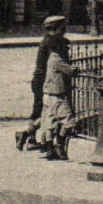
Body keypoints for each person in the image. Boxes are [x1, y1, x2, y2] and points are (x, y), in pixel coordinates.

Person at [16, 15, 70, 151]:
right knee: (47, 111)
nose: (65, 29)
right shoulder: (53, 43)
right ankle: (28, 135)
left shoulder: (48, 41)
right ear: (55, 28)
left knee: (40, 110)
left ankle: (30, 138)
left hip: (40, 80)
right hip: (45, 82)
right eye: (62, 27)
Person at [32, 30, 78, 161]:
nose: (67, 50)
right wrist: (75, 68)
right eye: (65, 47)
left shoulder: (50, 59)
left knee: (50, 123)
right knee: (69, 122)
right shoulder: (56, 59)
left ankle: (49, 148)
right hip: (57, 96)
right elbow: (71, 71)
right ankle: (59, 145)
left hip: (48, 94)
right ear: (58, 48)